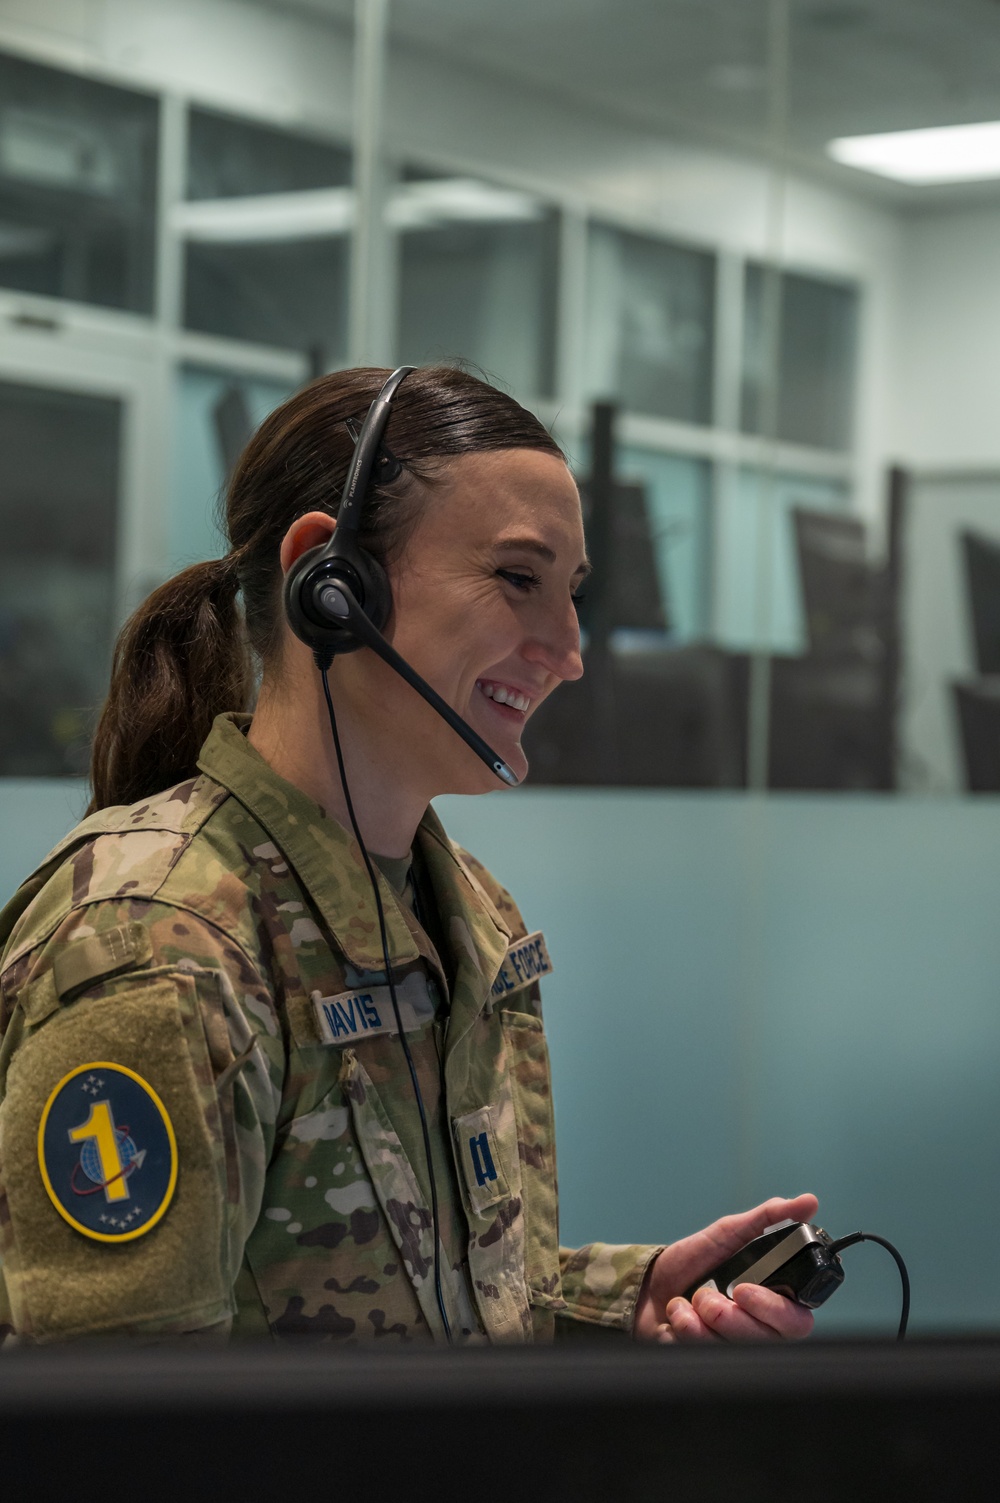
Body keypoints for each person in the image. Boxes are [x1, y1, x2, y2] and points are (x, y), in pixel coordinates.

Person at [0, 365, 816, 1345]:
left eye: (573, 596)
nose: (568, 650)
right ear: (332, 585)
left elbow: (428, 1294)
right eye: (519, 579)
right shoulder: (156, 947)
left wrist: (613, 1307)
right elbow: (120, 1437)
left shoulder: (469, 915)